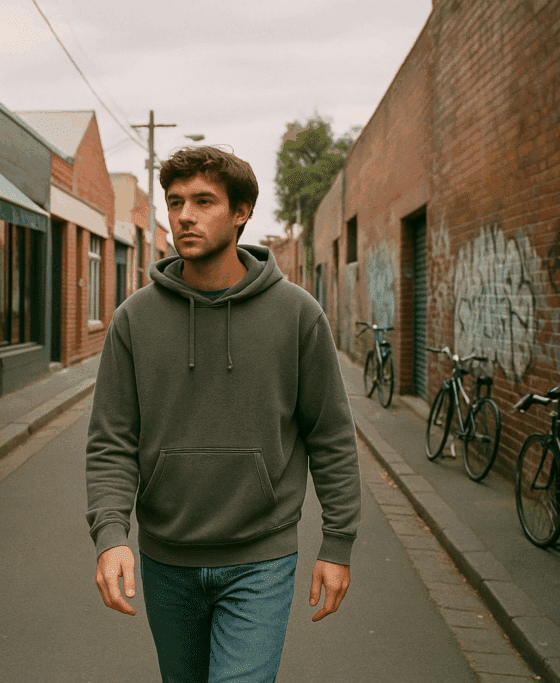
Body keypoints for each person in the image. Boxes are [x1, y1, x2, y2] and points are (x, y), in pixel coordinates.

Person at [86, 146, 361, 682]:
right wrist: (111, 534)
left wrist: (338, 542)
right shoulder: (134, 321)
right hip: (167, 559)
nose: (185, 215)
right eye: (175, 201)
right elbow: (112, 441)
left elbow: (330, 435)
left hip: (261, 557)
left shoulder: (298, 316)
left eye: (204, 201)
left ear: (241, 212)